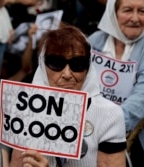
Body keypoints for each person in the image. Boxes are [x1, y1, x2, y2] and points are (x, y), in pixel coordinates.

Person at [10, 24, 127, 167]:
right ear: (42, 65)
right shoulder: (26, 110)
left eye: (77, 64)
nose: (66, 74)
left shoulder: (109, 115)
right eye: (56, 63)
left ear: (88, 67)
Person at [88, 0, 144, 166]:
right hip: (91, 130)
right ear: (113, 13)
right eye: (128, 10)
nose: (135, 18)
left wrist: (107, 126)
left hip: (140, 137)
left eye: (142, 11)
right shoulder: (94, 41)